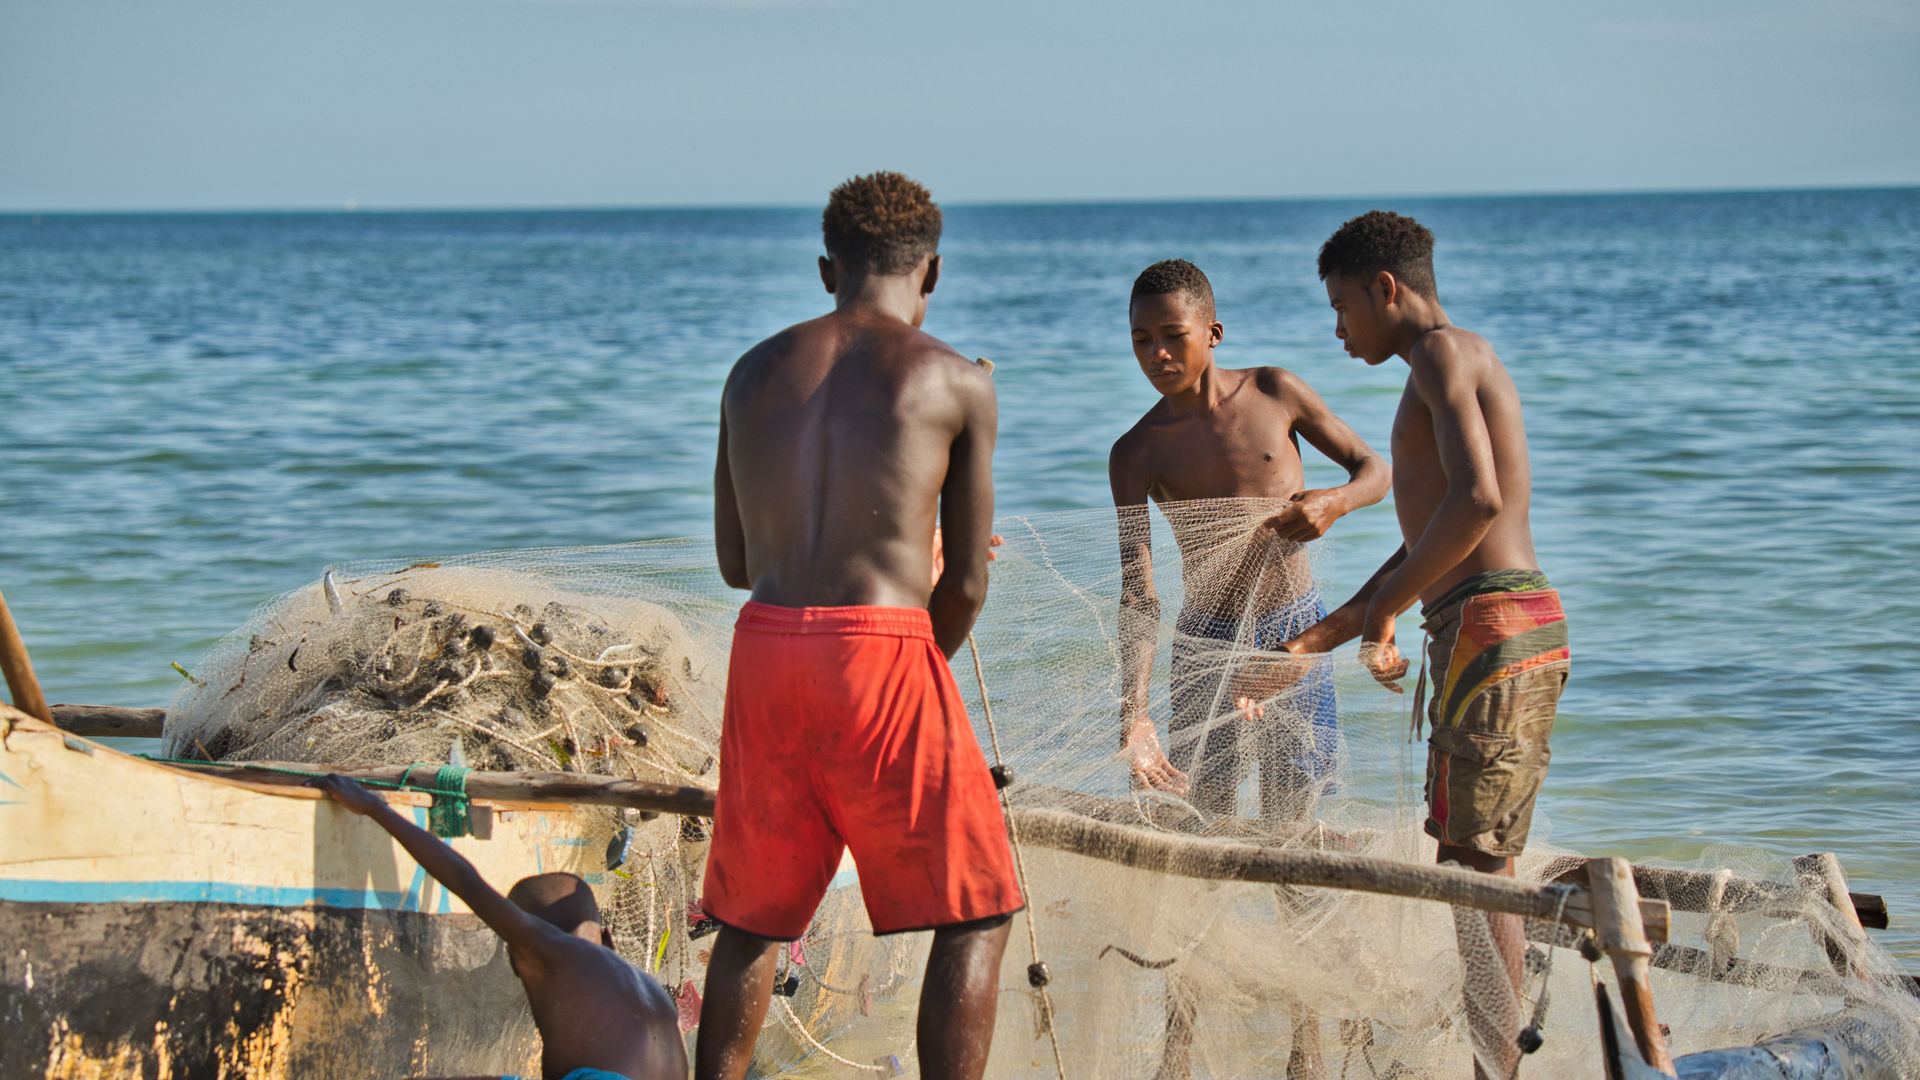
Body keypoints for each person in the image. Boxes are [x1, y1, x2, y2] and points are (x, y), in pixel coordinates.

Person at [701, 171, 1022, 1080]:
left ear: (824, 269)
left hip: (764, 648)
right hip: (881, 652)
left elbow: (735, 565)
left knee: (754, 918)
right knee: (977, 909)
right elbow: (962, 583)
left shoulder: (750, 371)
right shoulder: (956, 380)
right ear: (933, 274)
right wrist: (916, 660)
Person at [1280, 211, 1570, 1080]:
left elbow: (1477, 503)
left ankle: (1497, 1071)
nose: (1337, 328)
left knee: (1479, 867)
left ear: (1386, 288)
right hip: (1483, 623)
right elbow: (1427, 541)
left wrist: (1381, 617)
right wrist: (1325, 636)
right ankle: (1496, 1064)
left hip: (1494, 625)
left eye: (1341, 306)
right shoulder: (1443, 366)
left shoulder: (1444, 354)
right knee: (1470, 858)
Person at [1110, 258, 1390, 823]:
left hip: (1295, 631)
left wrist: (1333, 502)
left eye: (1173, 336)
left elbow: (1374, 471)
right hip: (1205, 645)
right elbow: (1139, 596)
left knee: (1292, 815)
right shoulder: (1135, 452)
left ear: (1213, 334)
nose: (1156, 354)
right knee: (1200, 816)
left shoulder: (1274, 391)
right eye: (1141, 340)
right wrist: (1133, 715)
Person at [311, 774, 686, 1080]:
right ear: (608, 939)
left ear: (517, 956)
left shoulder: (552, 953)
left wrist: (375, 809)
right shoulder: (653, 990)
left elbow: (464, 880)